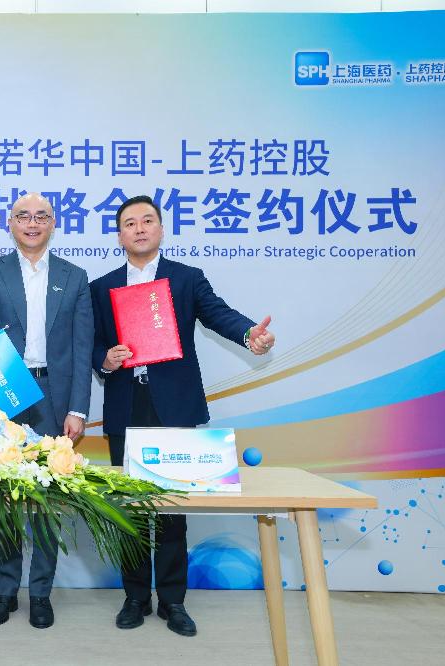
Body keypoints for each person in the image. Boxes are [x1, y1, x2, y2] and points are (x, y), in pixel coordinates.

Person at [89, 195, 275, 637]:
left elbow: (218, 314)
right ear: (119, 235)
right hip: (126, 405)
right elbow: (91, 343)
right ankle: (135, 596)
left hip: (173, 406)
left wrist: (249, 333)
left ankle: (173, 601)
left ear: (160, 229)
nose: (139, 228)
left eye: (147, 221)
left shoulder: (187, 278)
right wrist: (106, 360)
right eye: (130, 223)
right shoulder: (102, 286)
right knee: (130, 510)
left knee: (173, 508)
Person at [0, 192, 93, 629]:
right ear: (10, 223)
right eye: (23, 216)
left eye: (42, 216)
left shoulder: (75, 277)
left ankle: (40, 592)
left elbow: (82, 348)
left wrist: (78, 408)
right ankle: (5, 590)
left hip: (53, 394)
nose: (33, 223)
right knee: (3, 493)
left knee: (46, 498)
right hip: (4, 383)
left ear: (53, 223)